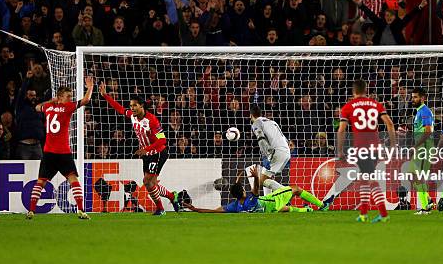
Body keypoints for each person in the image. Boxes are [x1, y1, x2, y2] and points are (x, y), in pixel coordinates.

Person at [99, 82, 180, 215]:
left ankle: (160, 208)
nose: (132, 108)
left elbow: (163, 140)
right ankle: (171, 196)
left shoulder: (152, 120)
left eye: (135, 105)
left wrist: (147, 149)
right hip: (146, 154)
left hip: (158, 153)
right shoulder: (132, 116)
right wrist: (105, 96)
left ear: (142, 106)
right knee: (150, 184)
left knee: (147, 182)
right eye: (131, 106)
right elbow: (119, 108)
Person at [26, 77, 94, 220]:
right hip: (63, 152)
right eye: (68, 96)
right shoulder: (67, 107)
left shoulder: (48, 108)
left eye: (71, 96)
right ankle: (81, 210)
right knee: (73, 180)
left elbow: (37, 107)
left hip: (48, 152)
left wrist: (51, 101)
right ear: (60, 97)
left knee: (41, 182)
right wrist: (90, 87)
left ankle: (31, 211)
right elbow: (86, 100)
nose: (70, 99)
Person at [337, 79, 396, 223]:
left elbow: (341, 130)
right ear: (365, 90)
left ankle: (383, 213)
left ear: (353, 91)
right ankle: (363, 214)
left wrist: (340, 151)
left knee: (370, 179)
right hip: (376, 148)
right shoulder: (376, 105)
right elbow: (389, 123)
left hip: (361, 148)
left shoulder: (348, 107)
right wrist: (393, 145)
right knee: (364, 178)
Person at [184, 166, 324, 213]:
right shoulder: (252, 199)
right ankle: (322, 205)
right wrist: (256, 176)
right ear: (244, 192)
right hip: (272, 201)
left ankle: (306, 210)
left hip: (269, 211)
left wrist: (195, 209)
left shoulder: (235, 206)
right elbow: (257, 187)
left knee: (285, 209)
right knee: (296, 189)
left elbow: (213, 211)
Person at [411, 87, 435, 214]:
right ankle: (428, 201)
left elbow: (428, 130)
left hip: (425, 145)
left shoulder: (425, 111)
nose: (413, 99)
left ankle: (425, 207)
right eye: (412, 97)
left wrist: (416, 146)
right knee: (415, 175)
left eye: (415, 97)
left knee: (417, 176)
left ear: (422, 98)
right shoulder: (419, 111)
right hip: (422, 145)